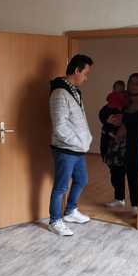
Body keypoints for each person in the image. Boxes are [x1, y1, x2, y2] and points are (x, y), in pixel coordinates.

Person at [48, 54, 93, 236]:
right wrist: (79, 142)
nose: (86, 78)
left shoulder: (75, 91)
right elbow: (60, 127)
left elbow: (78, 120)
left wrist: (86, 139)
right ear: (76, 70)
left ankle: (70, 211)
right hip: (66, 149)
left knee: (82, 180)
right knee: (61, 187)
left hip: (78, 149)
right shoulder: (59, 93)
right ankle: (55, 221)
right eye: (85, 73)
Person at [100, 72, 138, 215]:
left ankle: (136, 205)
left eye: (137, 83)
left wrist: (125, 126)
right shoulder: (122, 98)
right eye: (131, 82)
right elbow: (103, 113)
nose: (133, 86)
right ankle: (119, 198)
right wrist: (109, 119)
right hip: (116, 143)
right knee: (116, 171)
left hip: (133, 144)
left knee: (133, 174)